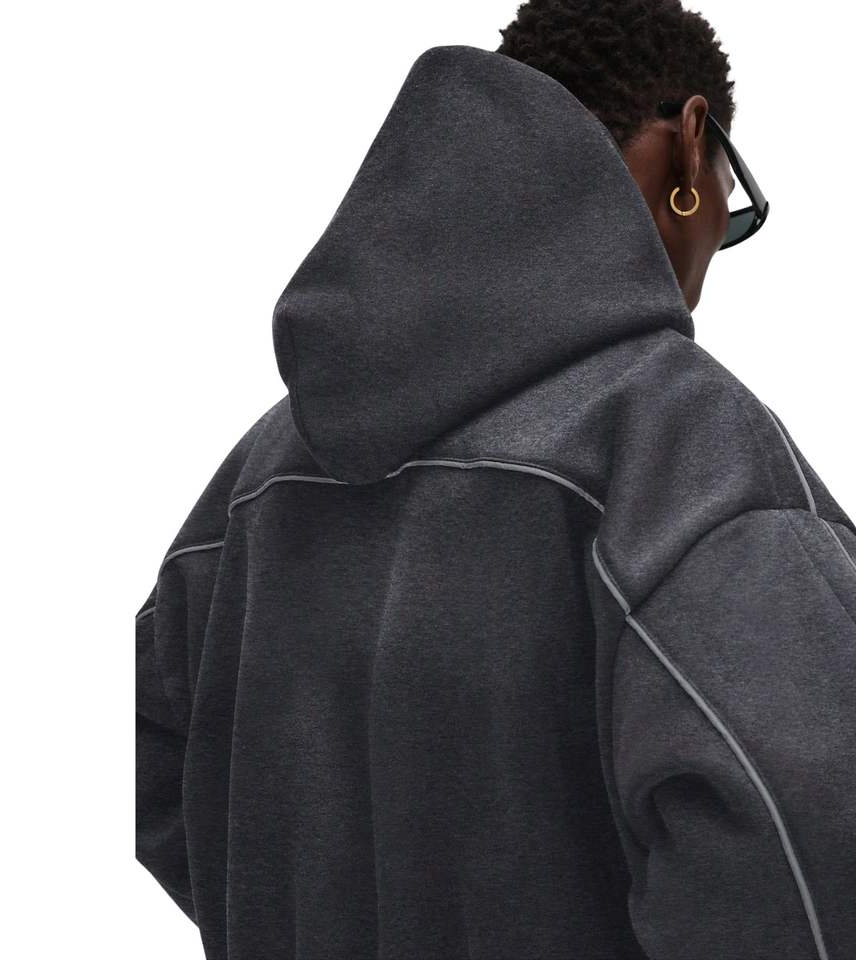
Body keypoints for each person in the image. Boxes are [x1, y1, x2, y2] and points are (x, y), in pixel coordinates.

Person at [135, 3, 856, 958]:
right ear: (692, 144)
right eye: (732, 194)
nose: (719, 229)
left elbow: (154, 768)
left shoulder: (257, 477)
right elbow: (808, 840)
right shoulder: (677, 446)